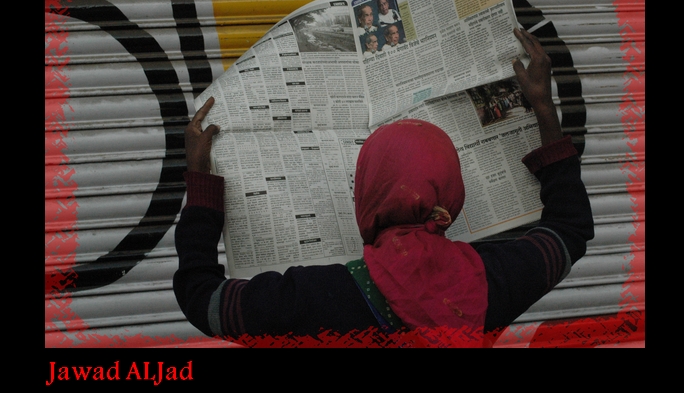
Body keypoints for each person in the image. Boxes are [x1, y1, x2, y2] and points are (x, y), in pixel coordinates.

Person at [173, 28, 594, 347]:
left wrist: (201, 181)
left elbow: (203, 299)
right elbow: (569, 229)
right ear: (450, 197)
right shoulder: (494, 281)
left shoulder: (311, 298)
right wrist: (542, 106)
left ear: (367, 195)